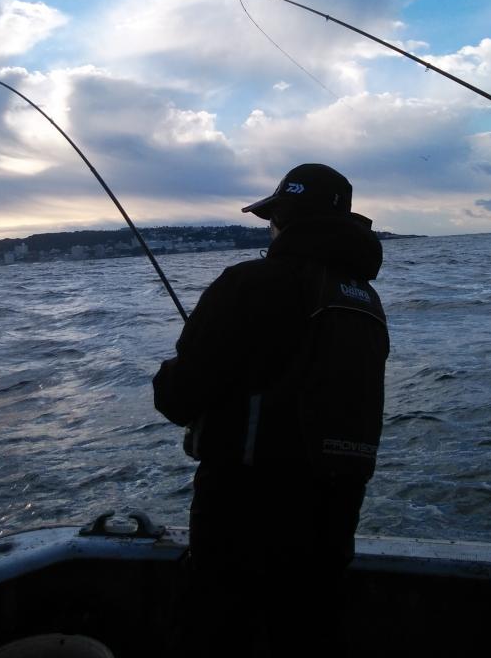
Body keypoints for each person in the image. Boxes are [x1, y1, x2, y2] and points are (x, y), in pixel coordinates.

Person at [153, 163, 390, 656]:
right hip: (334, 514)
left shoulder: (247, 283)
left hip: (243, 515)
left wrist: (171, 372)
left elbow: (178, 398)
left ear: (282, 219)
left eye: (272, 219)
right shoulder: (365, 299)